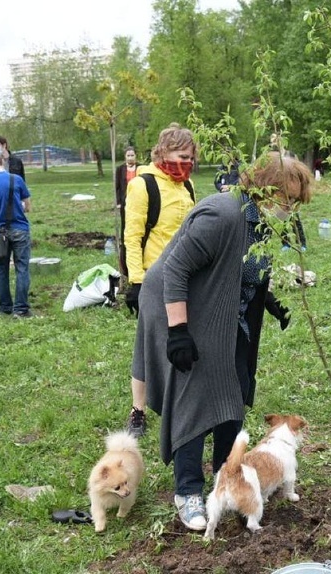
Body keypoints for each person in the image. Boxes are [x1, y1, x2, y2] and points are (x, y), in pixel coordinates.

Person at [137, 151, 312, 531]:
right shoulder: (223, 215)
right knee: (194, 396)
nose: (291, 209)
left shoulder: (262, 223)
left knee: (233, 389)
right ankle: (187, 492)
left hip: (221, 309)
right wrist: (179, 332)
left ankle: (225, 477)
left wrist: (270, 302)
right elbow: (176, 269)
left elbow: (244, 269)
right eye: (288, 200)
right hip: (180, 305)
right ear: (267, 190)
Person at [123, 125, 197, 437]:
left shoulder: (187, 186)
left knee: (180, 340)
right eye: (182, 156)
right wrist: (136, 281)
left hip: (186, 279)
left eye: (192, 158)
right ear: (164, 152)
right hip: (154, 280)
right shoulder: (143, 185)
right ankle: (138, 410)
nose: (187, 163)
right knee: (147, 346)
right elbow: (132, 235)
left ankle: (181, 403)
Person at [0, 150, 33, 318]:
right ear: (1, 161)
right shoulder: (16, 179)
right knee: (22, 268)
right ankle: (21, 309)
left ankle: (4, 308)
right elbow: (28, 206)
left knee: (0, 270)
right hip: (19, 229)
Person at [114, 146, 141, 278]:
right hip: (125, 202)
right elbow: (117, 187)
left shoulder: (141, 168)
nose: (130, 158)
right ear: (125, 157)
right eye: (128, 155)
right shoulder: (120, 169)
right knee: (126, 226)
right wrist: (118, 202)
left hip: (138, 201)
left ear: (136, 156)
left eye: (132, 155)